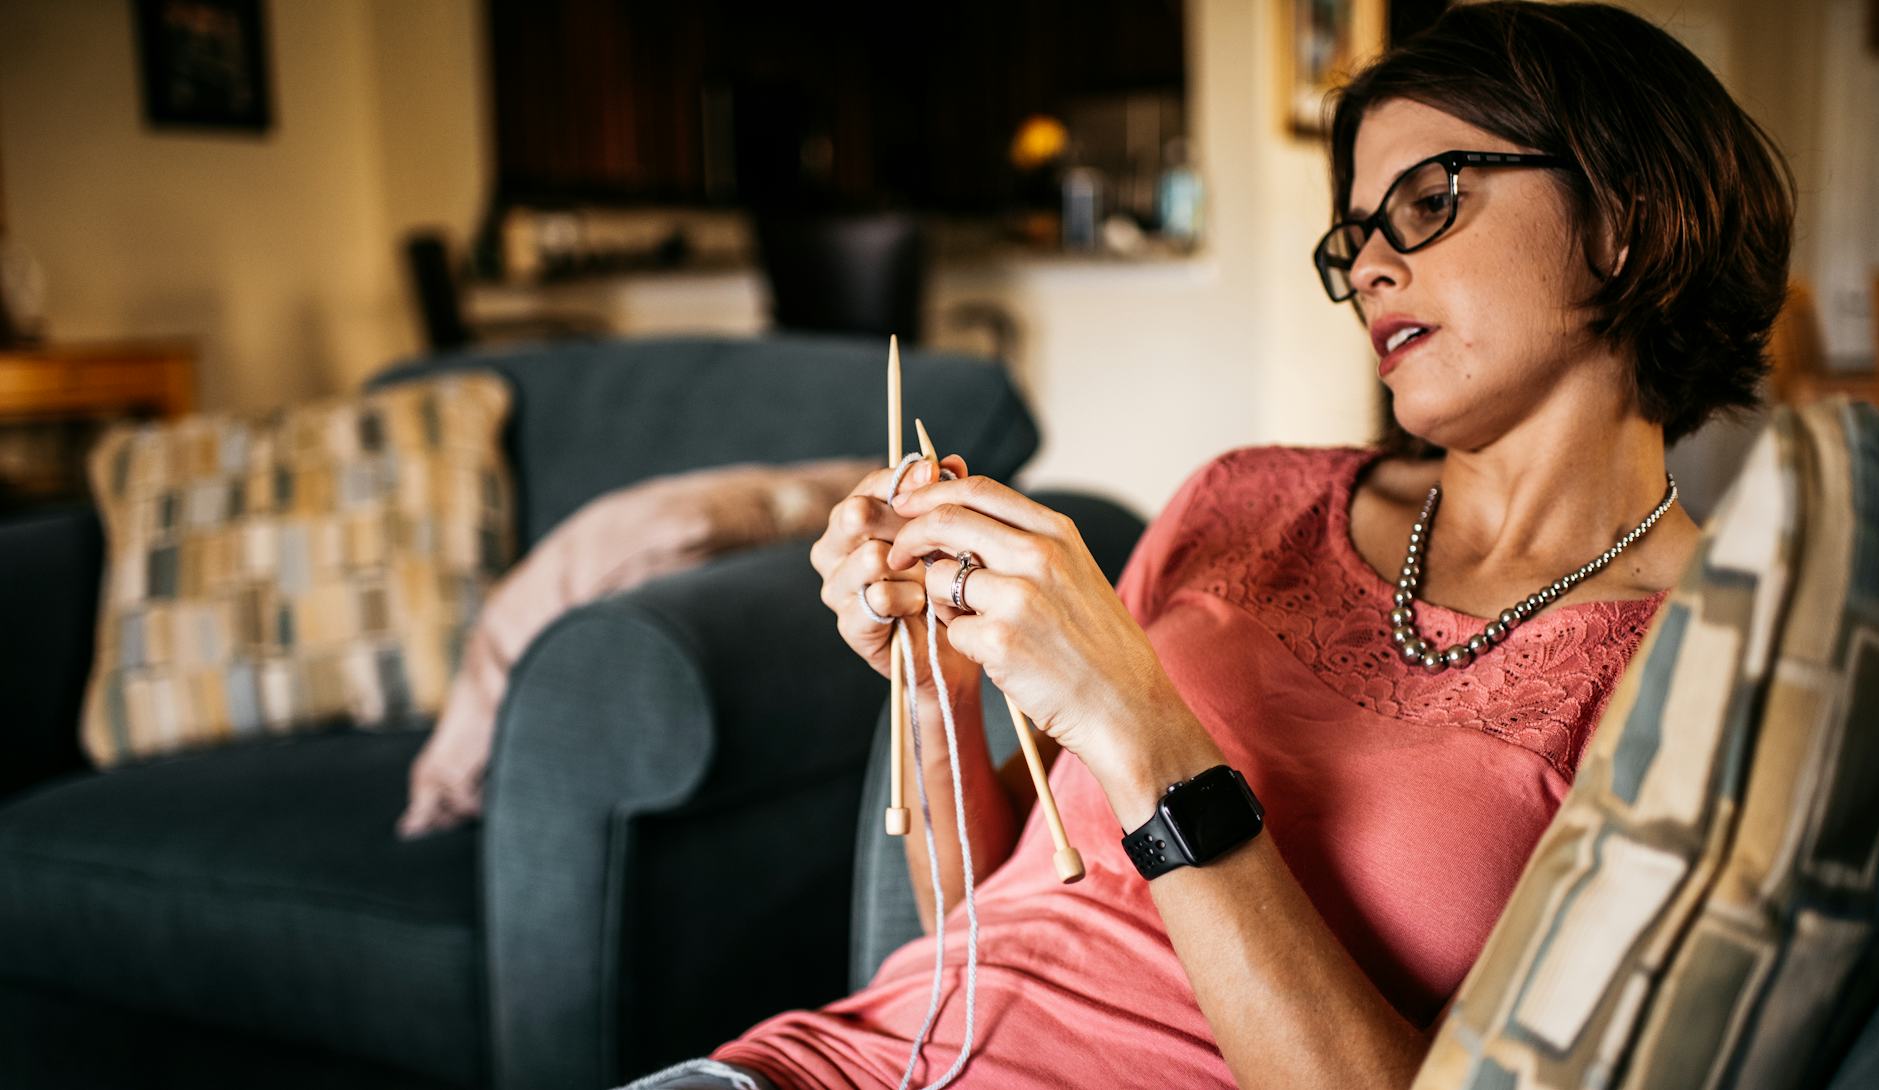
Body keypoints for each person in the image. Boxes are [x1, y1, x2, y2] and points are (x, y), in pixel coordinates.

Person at [618, 2, 1794, 1087]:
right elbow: (975, 933)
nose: (1370, 265)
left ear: (1627, 221)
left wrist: (1145, 727)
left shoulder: (1698, 664)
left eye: (1429, 201)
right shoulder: (1239, 498)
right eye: (1354, 238)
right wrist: (935, 683)